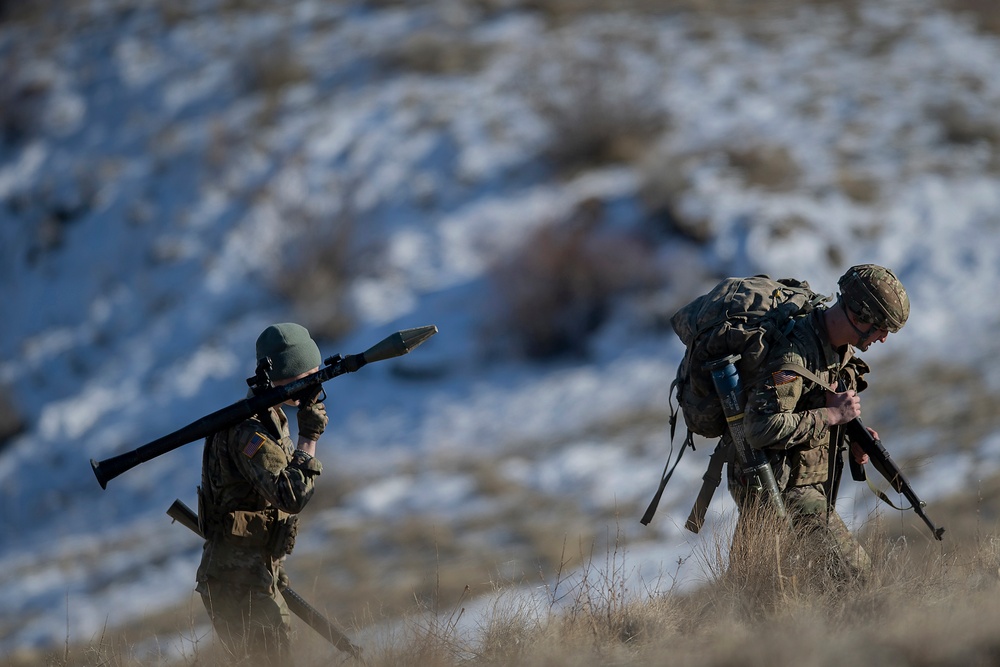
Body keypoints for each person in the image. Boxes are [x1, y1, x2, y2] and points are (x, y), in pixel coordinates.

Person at [730, 264, 910, 579]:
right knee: (858, 579)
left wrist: (849, 433)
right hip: (776, 485)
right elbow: (760, 428)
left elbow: (815, 407)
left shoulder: (838, 352)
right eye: (882, 328)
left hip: (798, 482)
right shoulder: (793, 356)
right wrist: (831, 416)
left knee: (758, 596)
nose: (883, 339)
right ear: (859, 317)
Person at [195, 322, 329, 665]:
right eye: (305, 378)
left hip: (255, 573)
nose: (314, 387)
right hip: (237, 581)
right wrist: (309, 438)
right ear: (282, 380)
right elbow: (290, 497)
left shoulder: (272, 418)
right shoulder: (249, 432)